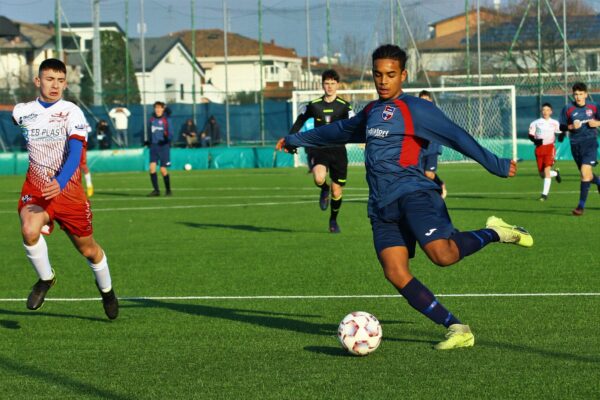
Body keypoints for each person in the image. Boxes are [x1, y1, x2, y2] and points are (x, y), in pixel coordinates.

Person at [277, 44, 533, 350]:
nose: (383, 81)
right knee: (395, 272)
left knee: (442, 255)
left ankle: (497, 232)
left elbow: (457, 136)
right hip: (382, 205)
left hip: (414, 194)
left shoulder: (417, 109)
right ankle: (456, 327)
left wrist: (498, 164)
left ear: (404, 75)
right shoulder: (372, 112)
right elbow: (338, 131)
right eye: (377, 74)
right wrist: (295, 139)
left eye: (390, 74)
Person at [12, 58, 118, 319]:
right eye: (49, 79)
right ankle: (46, 279)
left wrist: (59, 182)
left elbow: (76, 153)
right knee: (28, 229)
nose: (55, 85)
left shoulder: (72, 112)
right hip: (37, 188)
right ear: (38, 81)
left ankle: (107, 291)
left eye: (60, 80)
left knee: (88, 250)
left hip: (68, 193)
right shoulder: (21, 112)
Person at [289, 69, 354, 233]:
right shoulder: (314, 105)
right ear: (322, 85)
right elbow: (300, 121)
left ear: (337, 85)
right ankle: (324, 188)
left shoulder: (345, 107)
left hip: (338, 151)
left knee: (337, 190)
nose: (330, 87)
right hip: (319, 149)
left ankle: (333, 220)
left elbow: (355, 124)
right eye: (327, 83)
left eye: (333, 83)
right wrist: (290, 139)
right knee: (319, 178)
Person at [559, 82, 600, 216]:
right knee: (586, 175)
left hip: (590, 143)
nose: (578, 97)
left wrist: (597, 123)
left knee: (584, 172)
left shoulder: (594, 107)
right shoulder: (568, 108)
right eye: (576, 94)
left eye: (581, 94)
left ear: (586, 95)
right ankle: (598, 181)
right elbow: (562, 126)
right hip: (575, 145)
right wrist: (571, 127)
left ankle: (580, 207)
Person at [528, 103, 562, 201]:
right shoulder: (535, 123)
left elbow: (560, 131)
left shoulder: (555, 123)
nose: (545, 112)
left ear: (551, 112)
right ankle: (555, 173)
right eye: (543, 110)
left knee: (546, 171)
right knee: (542, 174)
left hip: (550, 148)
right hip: (539, 149)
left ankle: (544, 195)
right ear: (541, 111)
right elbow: (530, 135)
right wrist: (535, 140)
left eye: (547, 110)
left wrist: (561, 135)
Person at [417, 90, 447, 198]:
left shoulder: (436, 113)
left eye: (426, 99)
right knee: (418, 173)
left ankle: (440, 185)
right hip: (419, 149)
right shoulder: (416, 113)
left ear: (431, 100)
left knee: (428, 173)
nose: (424, 102)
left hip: (432, 148)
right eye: (421, 100)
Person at [148, 101, 173, 196]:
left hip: (163, 146)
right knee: (152, 168)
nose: (158, 110)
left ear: (163, 109)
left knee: (163, 170)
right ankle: (156, 190)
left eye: (160, 108)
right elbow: (150, 131)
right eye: (156, 108)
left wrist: (167, 140)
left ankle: (168, 190)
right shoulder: (151, 119)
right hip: (154, 146)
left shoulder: (166, 119)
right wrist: (148, 141)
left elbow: (171, 133)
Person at [80, 123, 94, 197]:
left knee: (83, 166)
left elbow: (88, 129)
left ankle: (89, 185)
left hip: (81, 146)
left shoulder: (82, 120)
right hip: (68, 146)